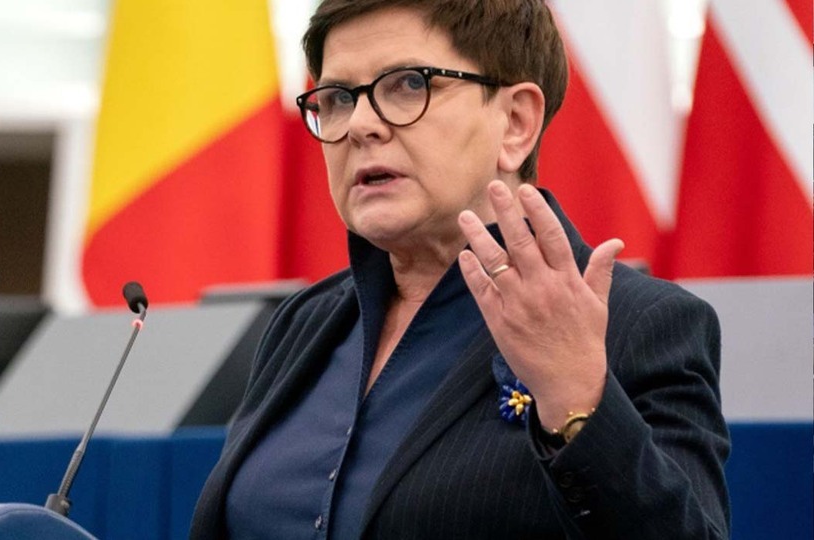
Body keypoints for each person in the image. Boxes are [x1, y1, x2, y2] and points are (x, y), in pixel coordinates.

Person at [191, 1, 730, 538]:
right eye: (336, 98)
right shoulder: (303, 322)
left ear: (516, 123)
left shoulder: (639, 325)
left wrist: (578, 401)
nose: (359, 125)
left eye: (408, 85)